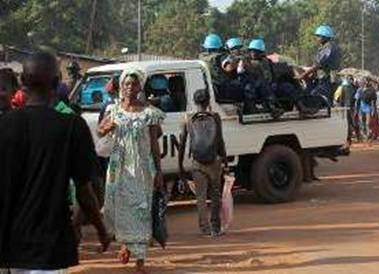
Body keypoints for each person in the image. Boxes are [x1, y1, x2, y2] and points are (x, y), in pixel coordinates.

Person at [0, 52, 110, 273]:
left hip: (9, 243)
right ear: (57, 82)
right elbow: (85, 189)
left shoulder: (5, 125)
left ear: (22, 82)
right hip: (49, 243)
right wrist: (100, 229)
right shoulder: (72, 126)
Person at [98, 68, 165, 274]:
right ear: (121, 86)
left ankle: (140, 261)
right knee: (121, 209)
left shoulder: (149, 112)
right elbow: (100, 131)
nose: (129, 88)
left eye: (133, 84)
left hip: (142, 169)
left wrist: (159, 172)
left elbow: (154, 144)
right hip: (119, 169)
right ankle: (125, 245)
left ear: (140, 87)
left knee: (141, 210)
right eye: (126, 84)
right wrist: (109, 126)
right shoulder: (114, 109)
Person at [178, 89, 228, 237]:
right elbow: (220, 141)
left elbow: (182, 143)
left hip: (197, 162)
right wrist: (225, 161)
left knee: (200, 197)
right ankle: (216, 227)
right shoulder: (216, 117)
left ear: (194, 101)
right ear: (208, 102)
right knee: (215, 195)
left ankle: (204, 229)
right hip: (214, 162)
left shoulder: (188, 118)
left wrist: (180, 165)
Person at [298, 24, 341, 105]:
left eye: (319, 36)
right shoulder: (324, 47)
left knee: (315, 96)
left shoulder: (329, 48)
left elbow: (318, 64)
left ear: (325, 37)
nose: (317, 38)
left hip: (327, 80)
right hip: (323, 79)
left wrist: (303, 75)